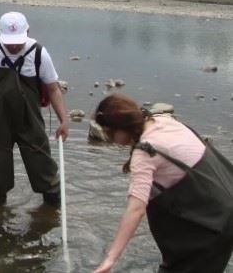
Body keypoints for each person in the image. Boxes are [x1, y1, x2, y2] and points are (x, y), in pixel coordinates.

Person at [93, 93, 233, 273]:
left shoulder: (145, 154)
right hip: (226, 208)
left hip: (210, 229)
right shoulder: (161, 120)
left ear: (120, 128)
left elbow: (135, 209)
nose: (108, 138)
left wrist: (110, 258)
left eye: (108, 132)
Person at [0, 11, 69, 206]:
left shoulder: (39, 53)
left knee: (43, 166)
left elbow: (53, 89)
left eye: (17, 41)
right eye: (9, 41)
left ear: (27, 31)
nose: (13, 45)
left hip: (29, 121)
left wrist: (64, 120)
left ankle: (53, 205)